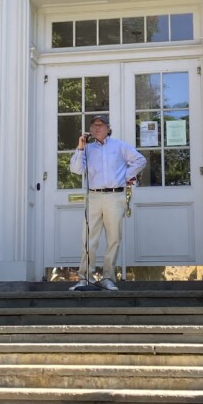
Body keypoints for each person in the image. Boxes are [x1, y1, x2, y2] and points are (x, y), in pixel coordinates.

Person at [69, 116, 146, 291]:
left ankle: (108, 278)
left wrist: (126, 176)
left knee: (114, 239)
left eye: (101, 125)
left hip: (114, 196)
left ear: (108, 128)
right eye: (94, 126)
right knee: (88, 239)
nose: (97, 128)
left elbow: (140, 160)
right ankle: (84, 279)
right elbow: (75, 170)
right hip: (94, 196)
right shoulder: (87, 149)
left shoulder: (119, 146)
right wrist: (80, 148)